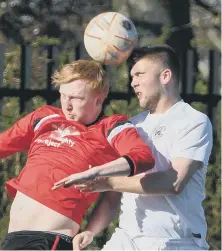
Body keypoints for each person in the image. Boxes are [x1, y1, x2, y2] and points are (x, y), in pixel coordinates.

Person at [66, 45, 213, 250]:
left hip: (176, 242)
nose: (133, 82)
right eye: (131, 76)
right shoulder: (132, 125)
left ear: (165, 76)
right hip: (126, 239)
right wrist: (91, 230)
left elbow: (174, 182)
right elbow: (115, 191)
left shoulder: (194, 121)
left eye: (139, 74)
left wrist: (109, 182)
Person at [0, 60, 155, 250]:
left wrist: (95, 173)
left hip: (49, 241)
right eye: (63, 95)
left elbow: (143, 158)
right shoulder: (45, 117)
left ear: (99, 98)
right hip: (13, 238)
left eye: (76, 98)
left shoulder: (111, 127)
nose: (67, 105)